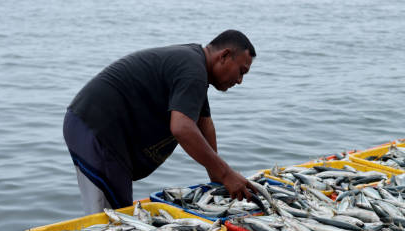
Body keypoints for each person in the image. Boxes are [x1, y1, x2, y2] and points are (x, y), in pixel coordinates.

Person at [63, 29, 258, 214]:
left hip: (97, 129)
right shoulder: (193, 70)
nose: (240, 80)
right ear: (224, 55)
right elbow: (182, 128)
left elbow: (204, 122)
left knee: (119, 212)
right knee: (110, 220)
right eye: (241, 71)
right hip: (96, 128)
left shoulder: (194, 66)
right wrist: (225, 174)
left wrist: (217, 176)